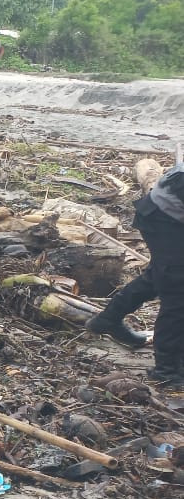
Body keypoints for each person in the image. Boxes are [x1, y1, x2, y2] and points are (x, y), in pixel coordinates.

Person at [85, 164, 184, 384]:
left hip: (170, 212)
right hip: (164, 216)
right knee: (177, 289)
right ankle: (167, 371)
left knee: (161, 275)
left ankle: (107, 319)